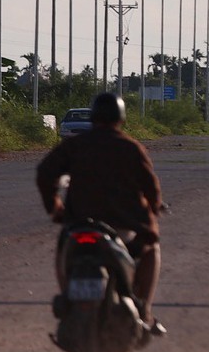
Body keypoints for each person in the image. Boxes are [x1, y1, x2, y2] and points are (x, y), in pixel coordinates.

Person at [35, 91, 165, 335]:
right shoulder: (131, 147)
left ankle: (67, 299)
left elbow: (45, 174)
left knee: (64, 251)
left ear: (93, 117)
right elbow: (151, 187)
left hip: (79, 224)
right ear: (121, 118)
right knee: (151, 249)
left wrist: (55, 208)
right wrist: (154, 207)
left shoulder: (74, 145)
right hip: (122, 228)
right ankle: (144, 310)